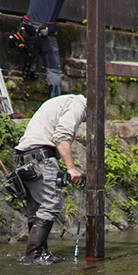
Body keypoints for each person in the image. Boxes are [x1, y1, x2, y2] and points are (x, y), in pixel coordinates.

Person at [13, 93, 86, 263]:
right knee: (51, 204)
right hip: (41, 156)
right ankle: (36, 254)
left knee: (36, 207)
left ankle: (38, 254)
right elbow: (61, 137)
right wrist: (71, 168)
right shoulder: (78, 105)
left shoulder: (62, 100)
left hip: (24, 156)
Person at [22, 0, 87, 98]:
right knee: (53, 68)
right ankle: (54, 99)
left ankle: (28, 73)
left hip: (28, 28)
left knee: (30, 52)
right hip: (45, 31)